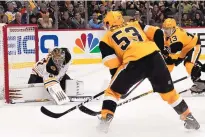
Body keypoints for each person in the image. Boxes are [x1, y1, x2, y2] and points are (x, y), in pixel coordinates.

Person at [97, 11, 200, 133]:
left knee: (112, 92)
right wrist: (160, 51)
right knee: (169, 93)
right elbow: (157, 32)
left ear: (108, 23)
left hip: (133, 63)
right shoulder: (136, 24)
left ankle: (105, 118)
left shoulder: (105, 39)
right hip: (155, 57)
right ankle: (189, 118)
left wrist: (120, 82)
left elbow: (112, 62)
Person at [161, 18, 204, 94]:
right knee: (170, 64)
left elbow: (174, 50)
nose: (165, 31)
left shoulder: (176, 38)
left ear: (173, 28)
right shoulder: (168, 33)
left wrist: (166, 54)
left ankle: (201, 84)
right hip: (184, 48)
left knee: (189, 65)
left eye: (168, 29)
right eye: (165, 28)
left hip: (193, 45)